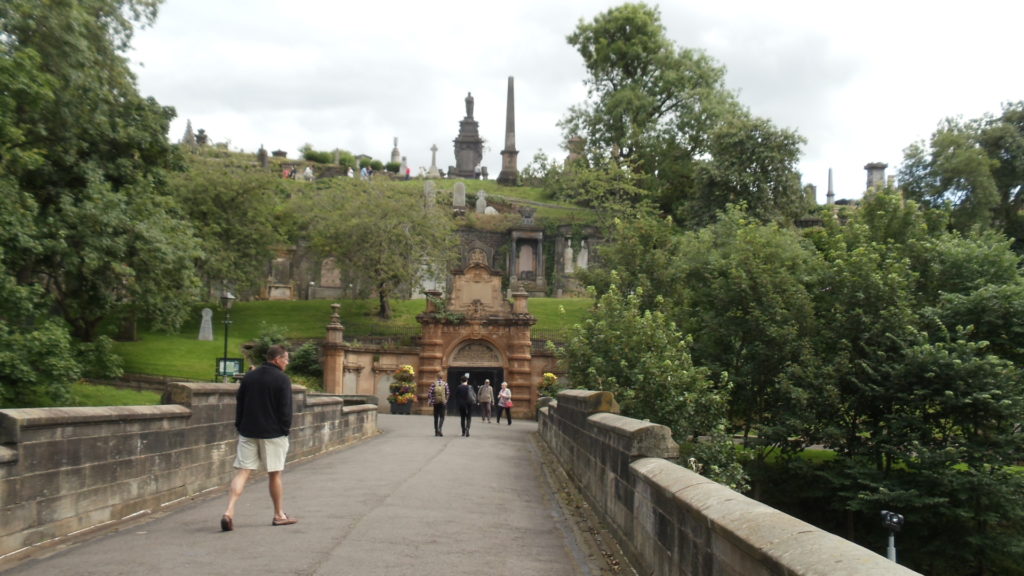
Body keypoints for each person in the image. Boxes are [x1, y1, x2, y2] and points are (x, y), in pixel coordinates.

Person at [221, 345, 297, 530]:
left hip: (248, 431)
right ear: (277, 359)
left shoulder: (249, 377)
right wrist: (284, 429)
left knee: (243, 471)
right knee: (275, 474)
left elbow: (240, 403)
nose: (287, 363)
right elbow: (285, 409)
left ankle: (229, 511)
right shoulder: (282, 379)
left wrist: (240, 425)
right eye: (286, 359)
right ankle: (279, 515)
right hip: (273, 433)